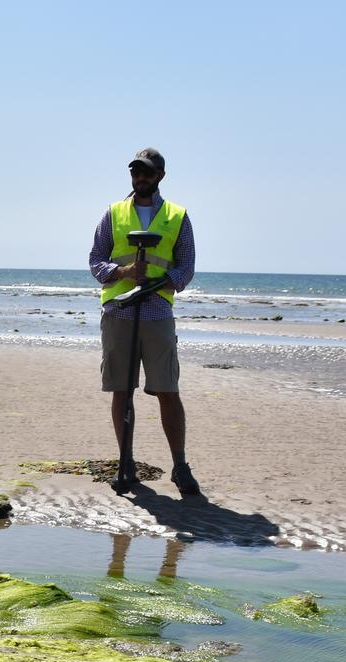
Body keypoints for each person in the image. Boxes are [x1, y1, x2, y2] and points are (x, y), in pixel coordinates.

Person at [88, 147, 200, 499]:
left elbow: (187, 265)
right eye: (136, 172)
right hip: (119, 312)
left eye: (147, 173)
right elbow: (95, 260)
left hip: (157, 312)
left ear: (160, 176)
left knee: (167, 389)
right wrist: (122, 272)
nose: (140, 178)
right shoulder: (114, 213)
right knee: (121, 389)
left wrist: (164, 281)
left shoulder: (177, 216)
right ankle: (126, 462)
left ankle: (180, 466)